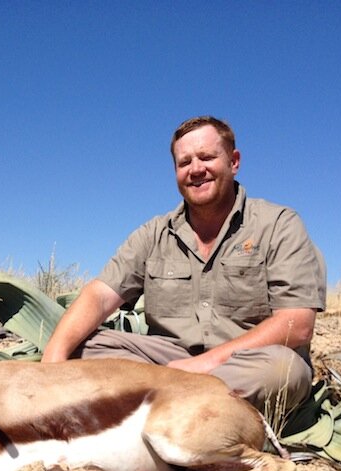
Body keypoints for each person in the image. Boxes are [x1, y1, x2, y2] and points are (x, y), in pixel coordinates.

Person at [42, 116, 326, 414]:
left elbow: (297, 325)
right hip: (168, 361)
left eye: (207, 157)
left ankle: (143, 408)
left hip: (246, 362)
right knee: (78, 347)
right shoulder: (154, 233)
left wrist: (202, 366)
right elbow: (100, 296)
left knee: (280, 373)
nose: (196, 169)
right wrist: (52, 362)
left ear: (234, 161)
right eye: (184, 162)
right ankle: (168, 409)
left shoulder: (278, 224)